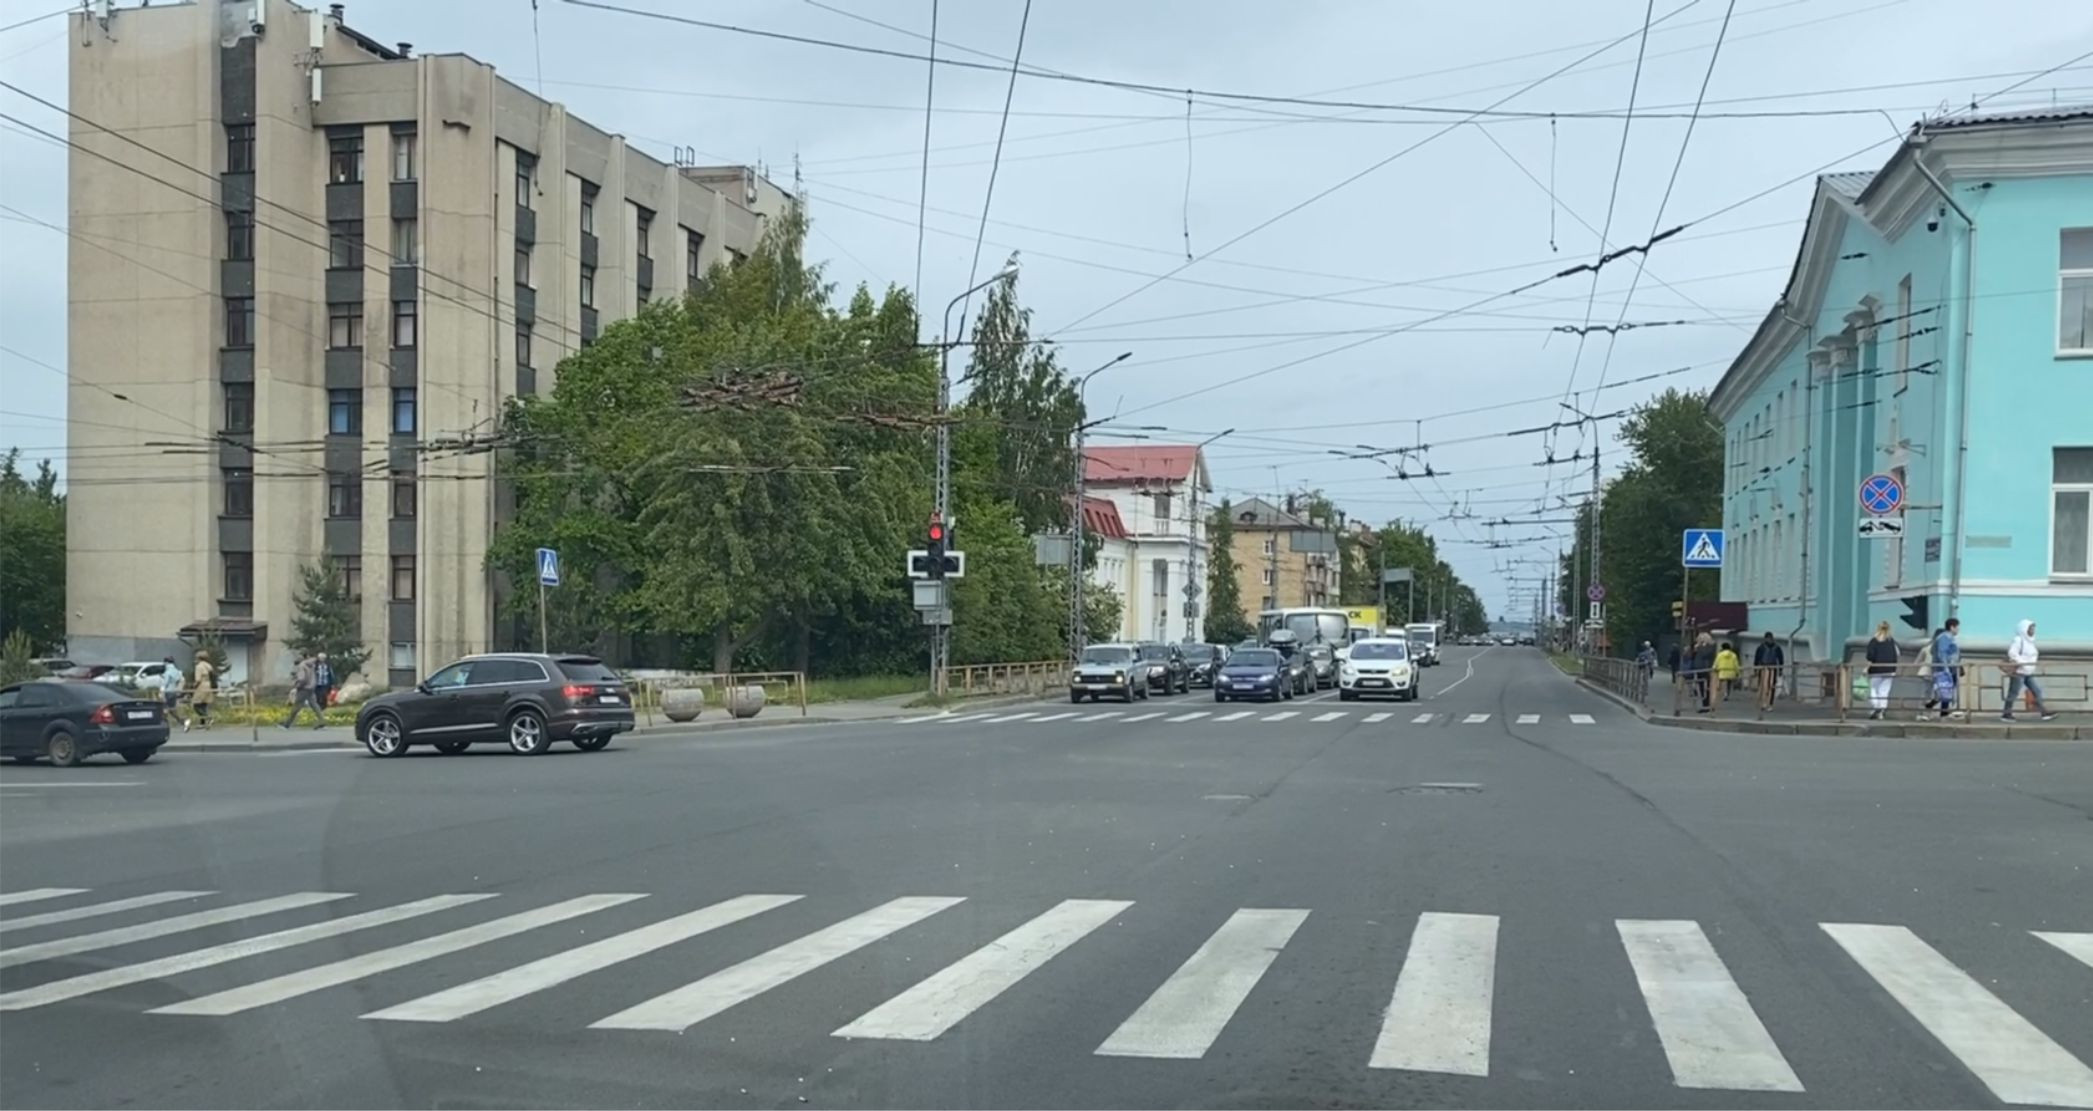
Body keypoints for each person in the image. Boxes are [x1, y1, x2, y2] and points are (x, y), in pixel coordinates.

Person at [2002, 619, 2057, 722]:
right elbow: (2012, 653)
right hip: (2019, 672)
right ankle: (2006, 714)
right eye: (2030, 628)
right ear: (2024, 629)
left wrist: (2029, 666)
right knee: (2013, 693)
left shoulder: (2030, 641)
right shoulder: (2019, 640)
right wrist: (2023, 663)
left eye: (2033, 628)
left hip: (2028, 672)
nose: (2033, 630)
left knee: (2037, 691)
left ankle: (2044, 712)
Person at [1864, 622, 1900, 720]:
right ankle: (1882, 711)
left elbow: (1870, 656)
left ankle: (1876, 707)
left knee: (1873, 689)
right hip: (1890, 669)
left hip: (1876, 669)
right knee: (1884, 691)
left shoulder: (1874, 641)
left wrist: (1866, 668)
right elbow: (1897, 653)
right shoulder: (1891, 641)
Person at [1927, 618, 1960, 721]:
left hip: (1950, 668)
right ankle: (1942, 712)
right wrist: (1946, 668)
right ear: (1952, 627)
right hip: (1946, 669)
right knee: (1945, 690)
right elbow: (1941, 653)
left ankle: (1942, 710)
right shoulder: (1944, 638)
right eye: (1957, 627)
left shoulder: (1948, 638)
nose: (1958, 629)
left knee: (1946, 690)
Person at [283, 652, 322, 729]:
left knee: (297, 705)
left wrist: (298, 685)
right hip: (311, 687)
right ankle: (322, 720)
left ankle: (287, 723)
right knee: (314, 704)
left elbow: (302, 678)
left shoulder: (302, 665)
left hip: (304, 688)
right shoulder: (311, 665)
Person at [1752, 632, 1785, 711]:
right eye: (1768, 638)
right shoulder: (1761, 647)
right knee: (1763, 686)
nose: (1770, 640)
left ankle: (1770, 703)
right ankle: (1764, 702)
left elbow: (1780, 659)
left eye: (1770, 638)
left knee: (1771, 686)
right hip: (1763, 667)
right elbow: (1757, 658)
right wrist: (1756, 669)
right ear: (1765, 639)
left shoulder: (1776, 648)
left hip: (1772, 668)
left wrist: (1780, 669)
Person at [1691, 633, 1716, 713]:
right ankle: (1704, 704)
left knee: (1707, 687)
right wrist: (1695, 650)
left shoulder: (1710, 646)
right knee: (1701, 688)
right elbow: (1693, 656)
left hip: (1706, 669)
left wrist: (1700, 648)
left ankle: (1708, 705)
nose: (1698, 640)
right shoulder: (1698, 647)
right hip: (1698, 669)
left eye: (1699, 639)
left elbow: (1706, 654)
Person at [190, 654, 216, 732]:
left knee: (196, 705)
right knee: (204, 704)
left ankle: (208, 718)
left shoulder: (199, 667)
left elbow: (198, 680)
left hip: (201, 686)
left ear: (198, 658)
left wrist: (193, 687)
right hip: (209, 685)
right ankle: (202, 723)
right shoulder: (209, 666)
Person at [158, 657, 185, 728]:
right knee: (172, 708)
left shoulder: (168, 672)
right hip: (174, 691)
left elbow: (165, 683)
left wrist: (161, 691)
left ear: (166, 662)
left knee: (164, 707)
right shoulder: (177, 671)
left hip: (167, 691)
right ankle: (181, 721)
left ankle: (163, 723)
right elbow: (181, 679)